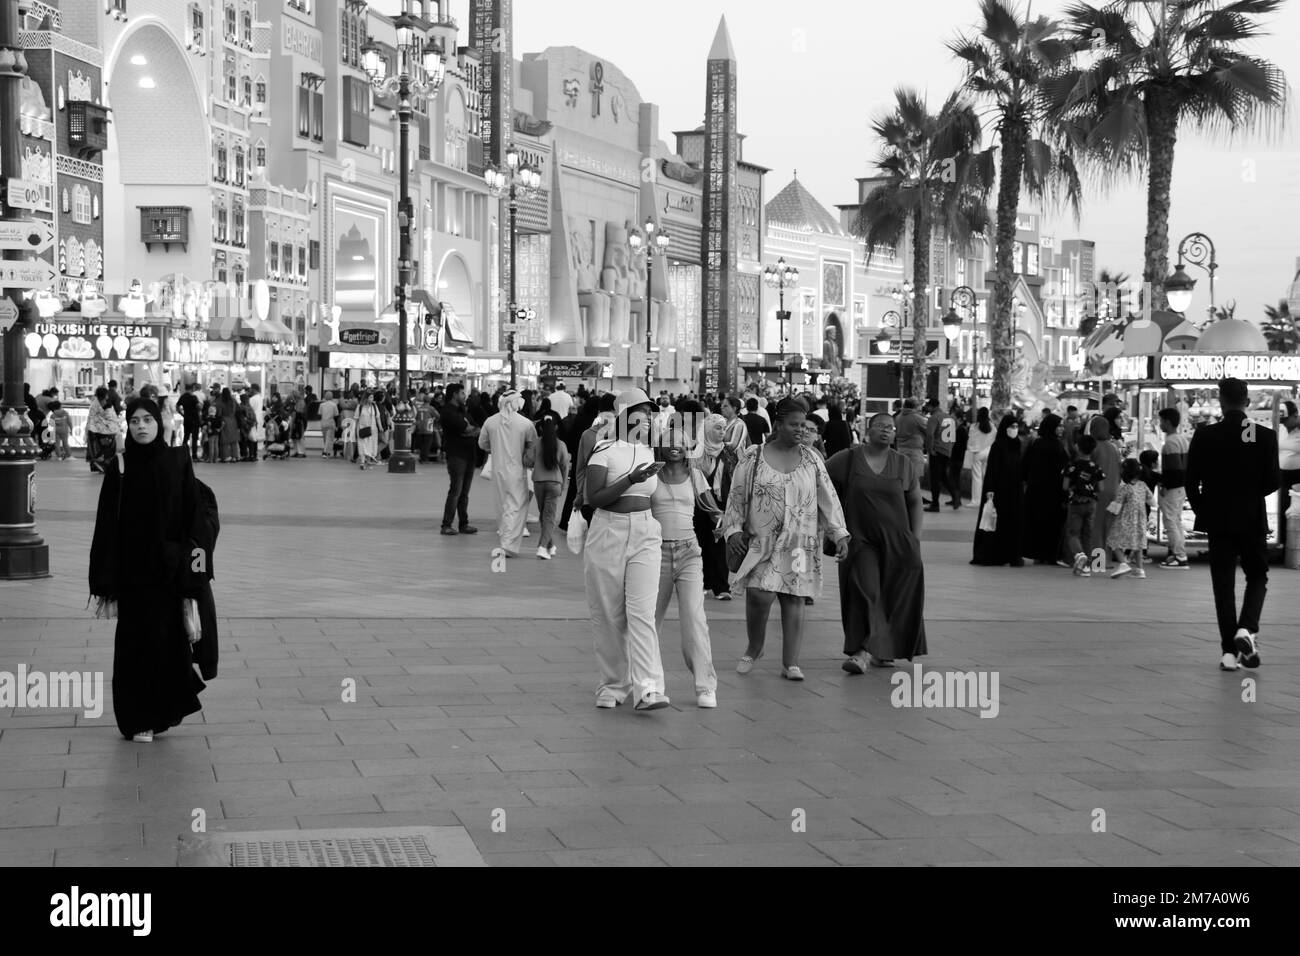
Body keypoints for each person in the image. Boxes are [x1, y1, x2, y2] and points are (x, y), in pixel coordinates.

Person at [88, 398, 211, 742]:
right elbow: (106, 526)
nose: (141, 426)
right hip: (134, 575)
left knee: (169, 645)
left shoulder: (177, 462)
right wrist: (104, 579)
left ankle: (162, 712)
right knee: (135, 646)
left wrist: (196, 570)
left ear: (160, 423)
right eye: (135, 420)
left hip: (170, 572)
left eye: (148, 420)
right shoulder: (121, 466)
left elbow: (195, 519)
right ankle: (137, 717)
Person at [723, 398, 850, 680]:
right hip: (761, 540)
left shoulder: (812, 458)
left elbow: (828, 498)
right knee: (759, 594)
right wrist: (732, 531)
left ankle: (790, 662)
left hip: (799, 542)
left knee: (794, 598)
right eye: (794, 425)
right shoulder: (753, 457)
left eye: (804, 425)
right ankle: (754, 647)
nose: (800, 430)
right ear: (778, 425)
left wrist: (838, 533)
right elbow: (736, 496)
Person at [583, 389, 671, 711]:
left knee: (642, 613)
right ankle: (613, 685)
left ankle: (649, 688)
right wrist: (631, 479)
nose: (647, 417)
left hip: (646, 532)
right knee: (608, 614)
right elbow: (595, 498)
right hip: (608, 530)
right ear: (623, 414)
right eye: (641, 411)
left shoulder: (650, 450)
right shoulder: (603, 449)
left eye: (650, 412)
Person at [1186, 378, 1279, 671]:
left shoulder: (1205, 434)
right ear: (1246, 401)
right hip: (1251, 518)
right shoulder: (1262, 435)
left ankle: (1228, 652)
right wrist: (1249, 497)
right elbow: (1272, 481)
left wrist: (1205, 509)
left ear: (1221, 401)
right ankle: (1246, 628)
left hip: (1218, 520)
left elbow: (1191, 482)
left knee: (1223, 584)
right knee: (1257, 575)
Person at [827, 412, 926, 672]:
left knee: (895, 596)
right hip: (861, 541)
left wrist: (915, 540)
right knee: (865, 590)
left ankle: (885, 649)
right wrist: (831, 527)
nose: (886, 431)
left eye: (891, 428)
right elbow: (819, 482)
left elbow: (915, 501)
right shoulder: (847, 459)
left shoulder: (903, 464)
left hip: (898, 542)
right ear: (867, 430)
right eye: (881, 426)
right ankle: (862, 652)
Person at [650, 413, 720, 708]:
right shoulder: (651, 474)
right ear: (661, 446)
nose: (675, 446)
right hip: (656, 554)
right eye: (669, 442)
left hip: (690, 552)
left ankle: (705, 685)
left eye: (680, 442)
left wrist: (721, 519)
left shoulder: (695, 476)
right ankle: (648, 684)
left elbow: (710, 506)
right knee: (649, 621)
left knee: (694, 619)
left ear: (687, 446)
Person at [478, 389, 537, 558]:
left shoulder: (490, 422)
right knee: (516, 506)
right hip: (518, 471)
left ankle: (505, 539)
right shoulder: (526, 424)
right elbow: (533, 446)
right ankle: (508, 544)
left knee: (502, 505)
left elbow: (482, 444)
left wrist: (496, 446)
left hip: (497, 470)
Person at [971, 415, 1025, 567]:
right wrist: (990, 489)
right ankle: (995, 554)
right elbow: (992, 469)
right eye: (1011, 426)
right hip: (1000, 490)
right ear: (1004, 428)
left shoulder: (1017, 444)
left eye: (1016, 426)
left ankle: (1012, 554)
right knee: (997, 521)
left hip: (1014, 490)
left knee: (1013, 521)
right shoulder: (998, 445)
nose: (1014, 430)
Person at [1021, 414, 1069, 565]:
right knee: (1052, 523)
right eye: (1059, 426)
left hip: (1037, 491)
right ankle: (1049, 554)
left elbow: (1025, 466)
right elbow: (1063, 470)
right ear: (1051, 427)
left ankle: (1038, 553)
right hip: (1053, 492)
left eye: (1062, 425)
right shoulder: (1057, 446)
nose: (1061, 428)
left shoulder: (1037, 443)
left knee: (1038, 522)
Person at [439, 383, 480, 535]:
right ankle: (446, 525)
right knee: (455, 491)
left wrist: (469, 431)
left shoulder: (463, 411)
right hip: (457, 456)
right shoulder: (448, 412)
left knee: (464, 492)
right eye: (462, 393)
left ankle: (464, 524)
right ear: (455, 394)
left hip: (469, 455)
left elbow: (476, 428)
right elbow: (467, 428)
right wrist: (469, 430)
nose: (465, 396)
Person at [573, 391, 618, 526]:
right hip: (612, 497)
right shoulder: (621, 436)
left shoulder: (587, 435)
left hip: (591, 496)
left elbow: (580, 469)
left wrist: (580, 493)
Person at [1063, 434, 1104, 576]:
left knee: (1073, 533)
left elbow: (1065, 485)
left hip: (1075, 502)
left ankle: (1079, 555)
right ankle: (1086, 567)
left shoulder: (1072, 466)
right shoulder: (1096, 467)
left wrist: (1075, 487)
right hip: (1091, 503)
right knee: (1087, 534)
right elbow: (1101, 488)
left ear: (1078, 448)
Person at [1106, 458, 1151, 579]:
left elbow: (1116, 506)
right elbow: (1152, 501)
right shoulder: (1143, 485)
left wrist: (1108, 513)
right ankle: (1140, 570)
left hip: (1124, 520)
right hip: (1140, 521)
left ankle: (1123, 563)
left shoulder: (1124, 488)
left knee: (1113, 540)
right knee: (1138, 545)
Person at [531, 416, 569, 560]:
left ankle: (550, 545)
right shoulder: (561, 445)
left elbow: (527, 460)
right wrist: (563, 484)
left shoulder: (536, 443)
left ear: (540, 428)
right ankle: (542, 547)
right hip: (554, 484)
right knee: (549, 517)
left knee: (543, 515)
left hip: (538, 483)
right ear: (556, 427)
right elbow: (565, 466)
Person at [1088, 415, 1121, 555]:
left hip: (1098, 491)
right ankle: (1106, 560)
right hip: (1113, 491)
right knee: (1107, 527)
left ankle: (1098, 562)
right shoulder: (1114, 448)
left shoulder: (1093, 447)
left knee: (1096, 526)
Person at [1276, 400, 1300, 552]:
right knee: (1282, 509)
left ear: (1295, 415)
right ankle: (1283, 544)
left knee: (1295, 512)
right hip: (1282, 475)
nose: (1284, 424)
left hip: (1298, 476)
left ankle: (1293, 546)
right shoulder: (1282, 428)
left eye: (1286, 420)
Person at [895, 397, 928, 490]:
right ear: (914, 406)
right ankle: (914, 499)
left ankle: (904, 499)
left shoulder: (898, 417)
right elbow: (929, 429)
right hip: (914, 450)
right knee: (915, 477)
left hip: (901, 449)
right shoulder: (917, 418)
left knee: (903, 476)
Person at [85, 386, 120, 473]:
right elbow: (109, 417)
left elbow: (92, 418)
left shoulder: (95, 403)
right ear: (105, 395)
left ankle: (101, 465)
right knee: (107, 448)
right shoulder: (101, 404)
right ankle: (102, 465)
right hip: (102, 431)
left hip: (95, 430)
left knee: (101, 448)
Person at [967, 407, 995, 506]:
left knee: (976, 478)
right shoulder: (992, 426)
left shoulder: (974, 426)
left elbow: (971, 441)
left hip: (977, 453)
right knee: (986, 477)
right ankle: (987, 500)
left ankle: (976, 501)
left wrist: (971, 449)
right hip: (989, 453)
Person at [355, 390, 381, 469]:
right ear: (366, 398)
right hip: (362, 428)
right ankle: (362, 462)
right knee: (362, 445)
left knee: (370, 445)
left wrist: (380, 426)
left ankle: (369, 460)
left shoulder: (374, 406)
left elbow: (378, 417)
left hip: (373, 429)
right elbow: (356, 419)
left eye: (372, 397)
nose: (372, 399)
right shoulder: (360, 407)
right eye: (370, 397)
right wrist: (355, 430)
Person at [178, 384, 201, 460]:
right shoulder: (193, 397)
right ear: (192, 389)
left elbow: (177, 406)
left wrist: (182, 414)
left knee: (186, 437)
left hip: (187, 419)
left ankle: (182, 454)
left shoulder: (183, 397)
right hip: (194, 419)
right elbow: (199, 406)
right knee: (194, 438)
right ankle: (194, 456)